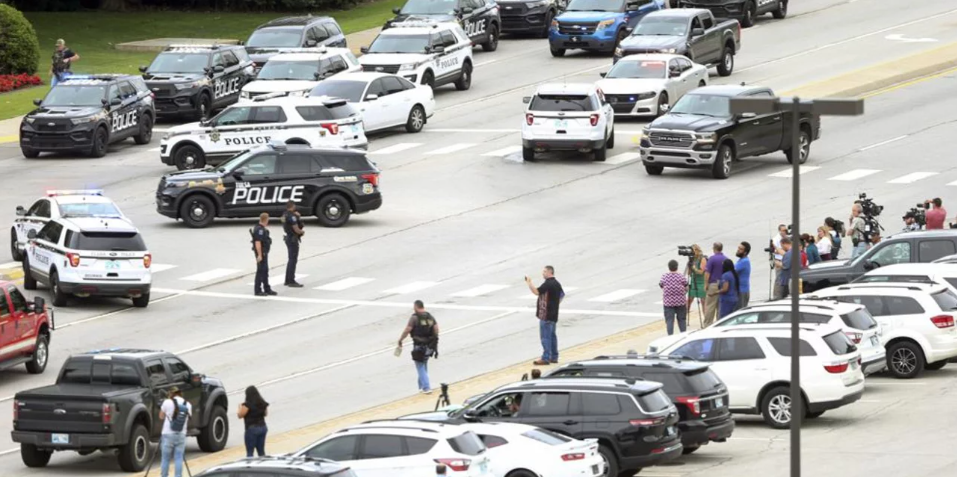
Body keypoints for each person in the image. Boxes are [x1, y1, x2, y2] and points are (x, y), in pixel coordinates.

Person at [398, 300, 439, 394]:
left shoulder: (414, 318)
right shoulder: (430, 316)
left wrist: (401, 339)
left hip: (418, 345)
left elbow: (407, 329)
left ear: (416, 307)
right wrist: (433, 341)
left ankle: (426, 387)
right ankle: (420, 386)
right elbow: (436, 329)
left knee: (420, 366)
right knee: (423, 364)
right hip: (429, 345)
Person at [526, 266, 564, 365]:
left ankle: (546, 357)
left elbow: (536, 292)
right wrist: (555, 304)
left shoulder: (548, 284)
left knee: (545, 337)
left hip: (546, 315)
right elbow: (562, 295)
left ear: (550, 272)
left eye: (544, 271)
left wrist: (529, 283)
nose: (543, 273)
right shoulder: (557, 283)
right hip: (554, 315)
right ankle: (554, 356)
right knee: (552, 336)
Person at [159, 387, 192, 477]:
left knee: (165, 458)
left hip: (167, 434)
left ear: (171, 393)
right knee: (178, 458)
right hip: (181, 434)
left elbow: (161, 417)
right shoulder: (188, 404)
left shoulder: (167, 402)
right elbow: (189, 418)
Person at [238, 386, 269, 457]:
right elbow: (265, 414)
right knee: (261, 451)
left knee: (250, 452)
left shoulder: (247, 405)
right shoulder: (262, 403)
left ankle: (249, 466)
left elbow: (240, 415)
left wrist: (239, 407)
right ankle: (263, 465)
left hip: (252, 429)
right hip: (263, 427)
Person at [659, 259, 688, 335]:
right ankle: (683, 334)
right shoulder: (681, 276)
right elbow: (686, 285)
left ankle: (670, 336)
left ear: (669, 267)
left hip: (668, 303)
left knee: (669, 321)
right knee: (682, 319)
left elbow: (661, 285)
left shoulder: (664, 277)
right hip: (680, 302)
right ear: (677, 267)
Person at [252, 213, 277, 296]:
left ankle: (267, 288)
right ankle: (257, 290)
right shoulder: (259, 230)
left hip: (264, 253)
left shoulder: (261, 228)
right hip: (261, 253)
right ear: (265, 220)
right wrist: (259, 255)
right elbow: (257, 242)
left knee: (265, 271)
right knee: (260, 271)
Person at [703, 242, 726, 326]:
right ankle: (719, 324)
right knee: (720, 307)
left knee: (710, 306)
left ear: (714, 248)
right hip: (723, 285)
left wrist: (706, 284)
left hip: (713, 284)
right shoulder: (726, 258)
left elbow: (707, 273)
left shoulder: (712, 259)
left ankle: (707, 325)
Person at [281, 201, 304, 288]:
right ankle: (291, 280)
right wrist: (302, 232)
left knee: (290, 259)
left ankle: (287, 279)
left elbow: (286, 224)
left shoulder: (284, 215)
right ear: (293, 206)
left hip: (287, 237)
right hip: (292, 239)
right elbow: (296, 228)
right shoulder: (292, 216)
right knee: (293, 260)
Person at [686, 244, 707, 314]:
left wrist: (694, 268)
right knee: (689, 300)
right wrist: (689, 266)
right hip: (693, 282)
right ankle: (684, 316)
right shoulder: (692, 260)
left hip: (701, 282)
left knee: (703, 301)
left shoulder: (702, 259)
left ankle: (706, 319)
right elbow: (689, 273)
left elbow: (701, 272)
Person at [735, 242, 751, 309]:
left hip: (742, 291)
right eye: (738, 248)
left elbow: (732, 271)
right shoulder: (741, 260)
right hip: (740, 290)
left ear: (745, 252)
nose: (738, 250)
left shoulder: (744, 261)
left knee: (740, 311)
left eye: (741, 249)